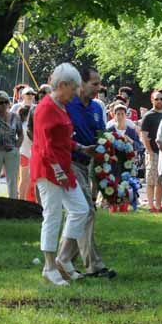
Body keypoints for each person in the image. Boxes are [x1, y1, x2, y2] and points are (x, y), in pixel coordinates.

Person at [31, 63, 93, 287]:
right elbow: (45, 145)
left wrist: (80, 148)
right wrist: (58, 171)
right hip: (48, 170)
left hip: (63, 168)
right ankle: (49, 267)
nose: (76, 92)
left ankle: (63, 259)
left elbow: (62, 138)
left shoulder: (61, 106)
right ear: (63, 85)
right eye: (74, 88)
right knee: (53, 215)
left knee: (81, 210)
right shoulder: (46, 108)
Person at [60, 65, 116, 278]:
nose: (98, 88)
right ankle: (93, 265)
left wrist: (112, 146)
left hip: (87, 164)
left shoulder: (96, 108)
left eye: (99, 84)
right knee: (86, 211)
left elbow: (100, 135)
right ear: (81, 83)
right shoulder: (68, 105)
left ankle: (63, 261)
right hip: (69, 162)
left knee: (79, 214)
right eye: (94, 84)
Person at [140, 89, 162, 212]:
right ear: (152, 100)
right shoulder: (148, 116)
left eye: (161, 99)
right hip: (152, 152)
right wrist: (150, 151)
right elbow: (144, 136)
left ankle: (158, 205)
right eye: (156, 99)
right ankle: (151, 206)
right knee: (151, 181)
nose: (159, 101)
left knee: (160, 181)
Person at [17, 105, 34, 201]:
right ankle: (23, 199)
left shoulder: (21, 125)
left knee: (23, 180)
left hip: (23, 153)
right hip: (27, 154)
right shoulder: (27, 126)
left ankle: (22, 199)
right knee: (26, 180)